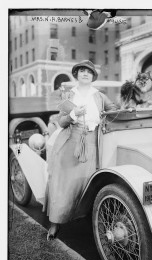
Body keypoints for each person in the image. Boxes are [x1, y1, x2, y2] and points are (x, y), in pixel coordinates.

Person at [44, 60, 117, 240]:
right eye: (81, 71)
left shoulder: (99, 96)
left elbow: (114, 110)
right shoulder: (69, 95)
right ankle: (55, 223)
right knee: (62, 183)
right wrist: (73, 114)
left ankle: (86, 219)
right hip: (70, 140)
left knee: (87, 183)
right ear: (76, 75)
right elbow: (61, 122)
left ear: (93, 76)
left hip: (92, 142)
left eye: (89, 72)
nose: (85, 73)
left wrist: (103, 118)